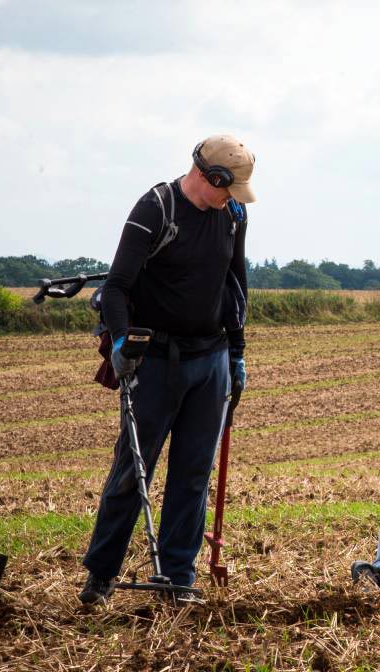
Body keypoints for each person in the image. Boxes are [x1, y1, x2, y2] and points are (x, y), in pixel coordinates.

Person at [79, 135, 256, 606]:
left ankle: (178, 577)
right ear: (209, 177)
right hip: (154, 360)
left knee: (193, 474)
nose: (231, 199)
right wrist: (120, 342)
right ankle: (101, 574)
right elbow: (117, 287)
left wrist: (236, 354)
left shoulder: (234, 215)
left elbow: (235, 286)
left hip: (210, 358)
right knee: (133, 467)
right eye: (228, 189)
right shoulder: (156, 208)